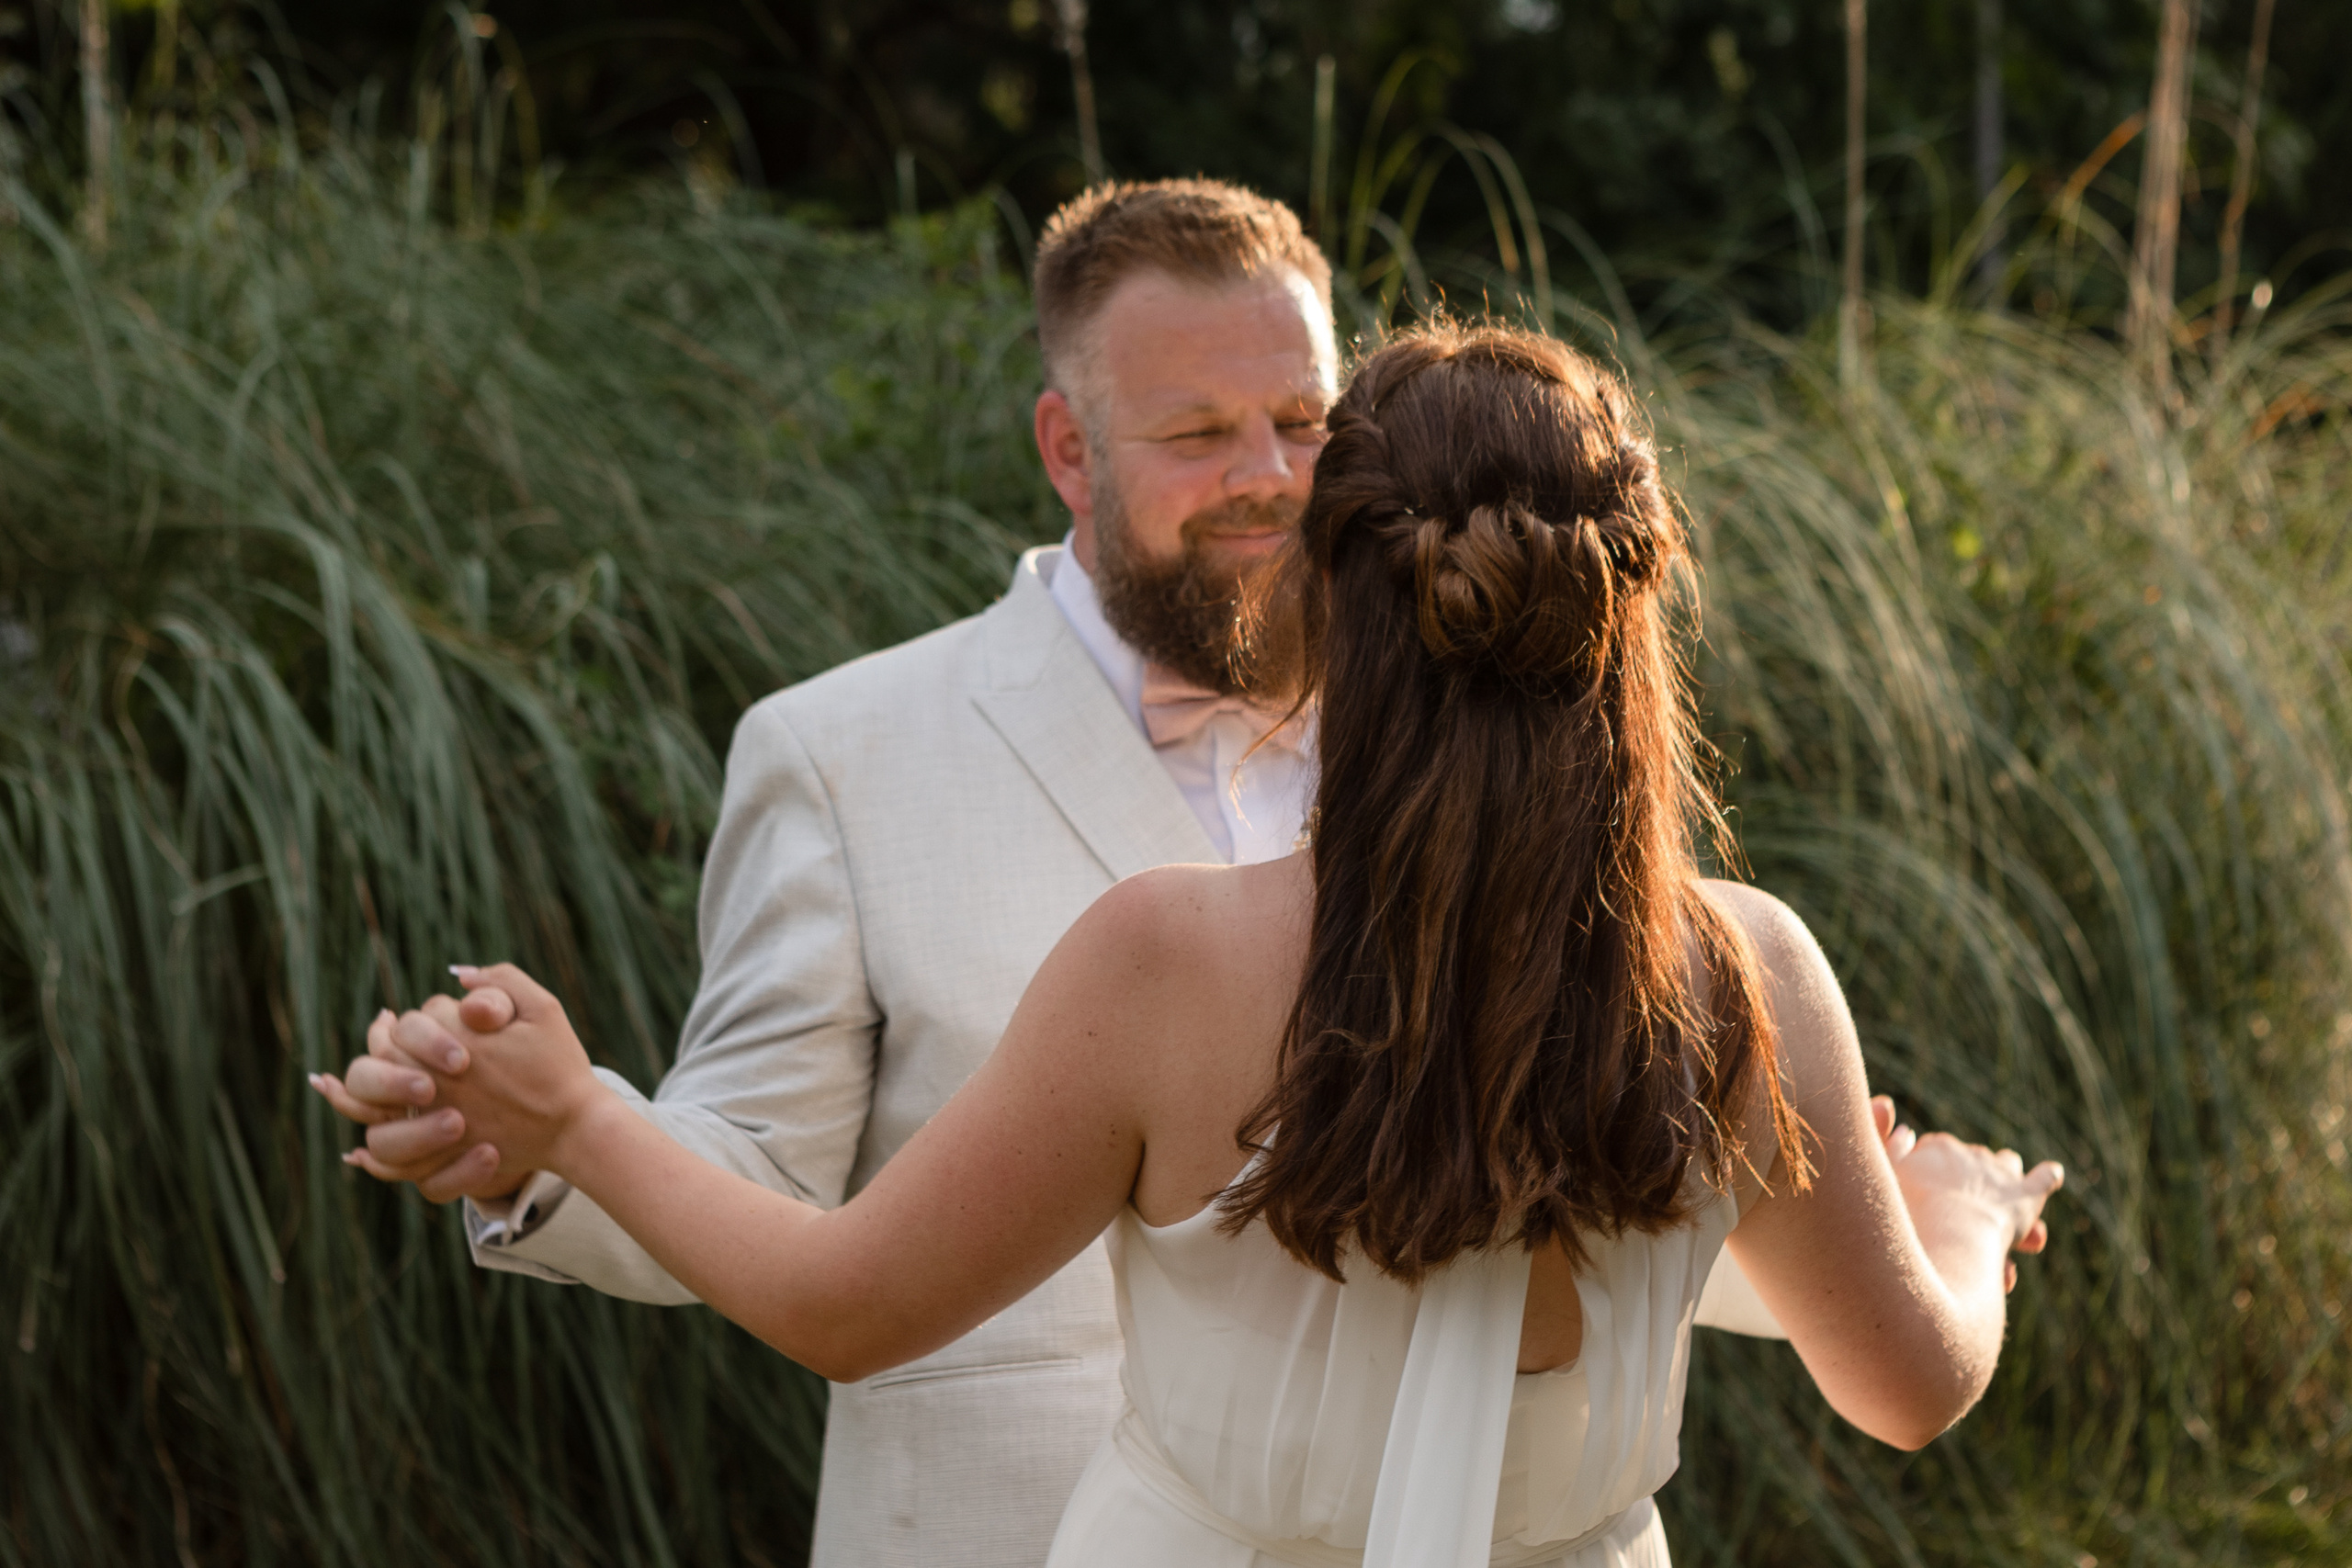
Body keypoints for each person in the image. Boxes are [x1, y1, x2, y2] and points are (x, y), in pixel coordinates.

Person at [316, 321, 2064, 1566]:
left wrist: (581, 1118)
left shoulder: (1166, 965)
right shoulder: (1743, 976)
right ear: (1632, 623)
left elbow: (844, 1308)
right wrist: (1960, 1215)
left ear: (1332, 588)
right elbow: (1912, 1390)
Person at [313, 178, 1340, 1568]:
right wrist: (552, 1132)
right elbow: (757, 1170)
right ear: (1070, 449)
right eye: (1198, 433)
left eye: (1302, 421)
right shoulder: (841, 753)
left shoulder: (1450, 738)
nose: (1268, 476)